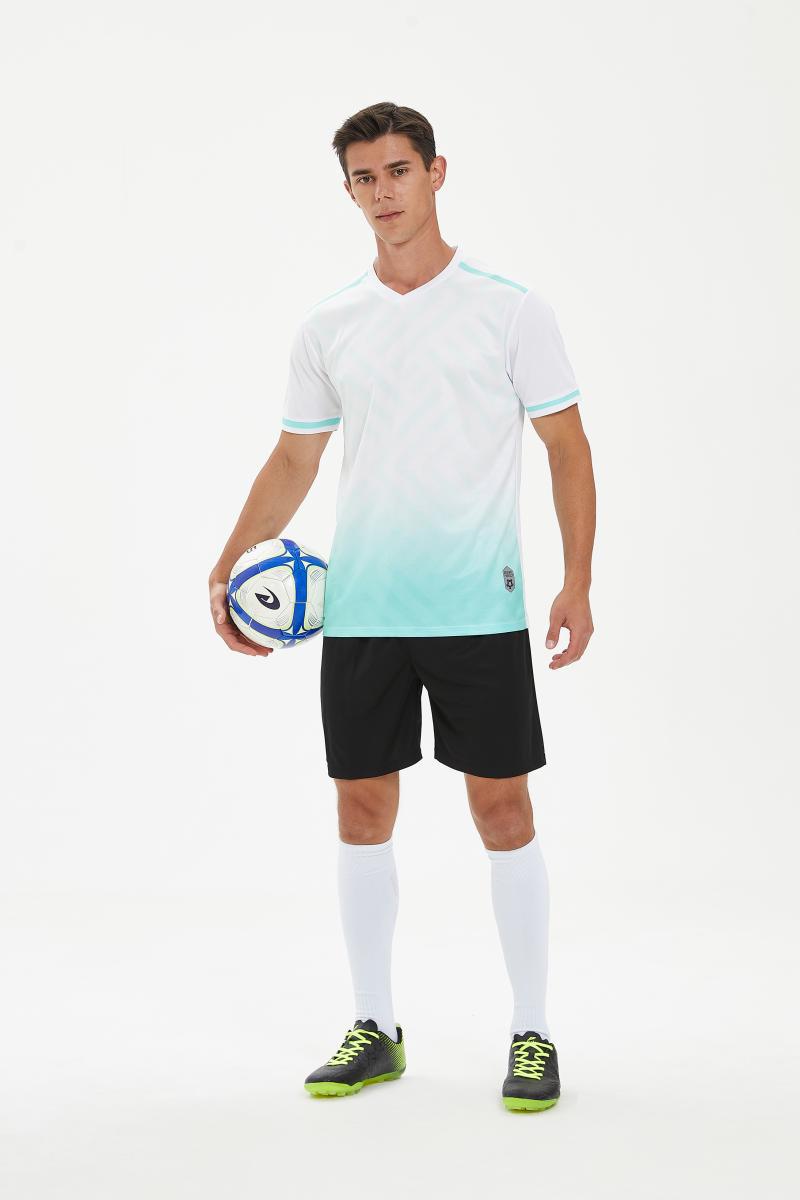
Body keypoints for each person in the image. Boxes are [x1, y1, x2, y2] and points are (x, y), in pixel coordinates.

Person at [208, 101, 596, 1112]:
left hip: (477, 609)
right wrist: (228, 563)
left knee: (502, 809)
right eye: (363, 178)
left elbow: (566, 448)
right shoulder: (329, 324)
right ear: (348, 191)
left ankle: (531, 1031)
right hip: (364, 614)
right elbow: (294, 458)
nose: (382, 193)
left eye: (397, 171)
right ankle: (374, 1028)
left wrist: (576, 581)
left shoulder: (510, 310)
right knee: (361, 808)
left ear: (435, 172)